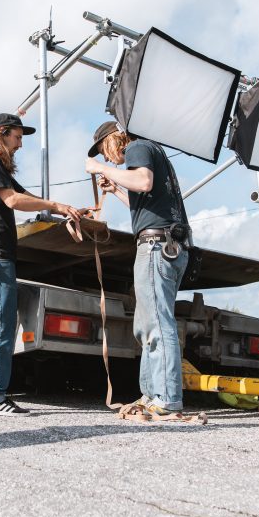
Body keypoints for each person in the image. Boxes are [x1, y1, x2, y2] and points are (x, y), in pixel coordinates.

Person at [0, 113, 85, 416]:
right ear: (1, 134)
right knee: (0, 327)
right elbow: (13, 201)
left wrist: (63, 209)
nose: (20, 144)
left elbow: (25, 195)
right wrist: (55, 205)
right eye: (17, 137)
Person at [85, 121, 189, 415]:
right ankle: (151, 394)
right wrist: (116, 187)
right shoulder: (150, 151)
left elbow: (142, 181)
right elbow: (145, 199)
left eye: (104, 151)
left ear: (112, 140)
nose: (107, 159)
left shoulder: (137, 147)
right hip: (165, 242)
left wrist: (100, 170)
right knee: (146, 325)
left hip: (157, 245)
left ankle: (166, 397)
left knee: (156, 322)